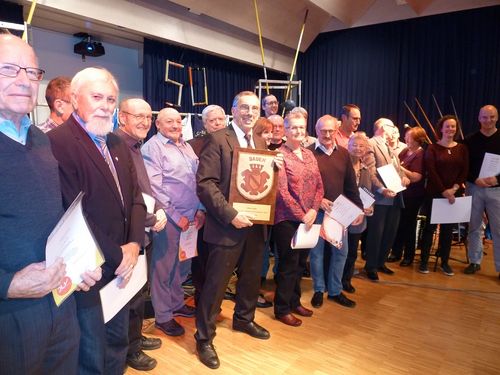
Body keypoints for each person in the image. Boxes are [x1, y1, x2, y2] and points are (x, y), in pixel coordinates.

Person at [0, 33, 100, 375]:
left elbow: (54, 217)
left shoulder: (40, 139)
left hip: (60, 303)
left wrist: (81, 262)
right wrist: (8, 285)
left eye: (31, 72)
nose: (23, 81)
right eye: (9, 69)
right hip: (10, 317)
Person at [48, 67, 146, 375]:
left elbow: (136, 198)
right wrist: (121, 254)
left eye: (111, 99)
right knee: (91, 354)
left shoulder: (116, 142)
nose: (105, 105)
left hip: (122, 266)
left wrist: (134, 243)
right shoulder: (57, 142)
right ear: (76, 99)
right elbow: (73, 211)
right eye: (97, 97)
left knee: (118, 343)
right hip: (89, 270)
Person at [195, 91, 283, 369]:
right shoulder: (217, 139)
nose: (249, 112)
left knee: (250, 278)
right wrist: (231, 215)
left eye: (254, 108)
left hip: (256, 227)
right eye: (244, 107)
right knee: (215, 285)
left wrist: (274, 167)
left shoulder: (259, 141)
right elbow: (205, 184)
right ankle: (204, 338)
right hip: (226, 226)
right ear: (233, 110)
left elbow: (260, 186)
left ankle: (244, 319)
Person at [142, 107, 203, 337]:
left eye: (178, 121)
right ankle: (163, 316)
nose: (176, 125)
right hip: (168, 219)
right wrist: (178, 218)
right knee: (163, 269)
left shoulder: (186, 145)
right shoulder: (152, 148)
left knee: (182, 265)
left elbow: (196, 181)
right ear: (158, 124)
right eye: (170, 122)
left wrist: (200, 210)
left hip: (191, 220)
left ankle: (177, 303)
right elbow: (155, 189)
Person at [116, 98, 166, 371]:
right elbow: (125, 196)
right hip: (128, 237)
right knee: (129, 299)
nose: (145, 122)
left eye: (148, 117)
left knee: (137, 295)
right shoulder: (117, 146)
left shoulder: (136, 147)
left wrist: (158, 209)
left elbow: (144, 189)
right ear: (122, 117)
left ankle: (134, 338)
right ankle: (129, 350)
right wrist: (150, 217)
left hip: (143, 231)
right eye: (139, 116)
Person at [274, 111, 323, 325]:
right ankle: (281, 308)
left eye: (301, 127)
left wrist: (313, 210)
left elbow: (320, 186)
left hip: (309, 217)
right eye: (293, 127)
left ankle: (294, 301)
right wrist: (303, 215)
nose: (298, 131)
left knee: (301, 263)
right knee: (288, 265)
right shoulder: (279, 155)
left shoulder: (310, 154)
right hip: (287, 219)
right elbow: (281, 192)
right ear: (285, 130)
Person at [309, 115, 363, 309]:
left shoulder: (343, 154)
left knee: (341, 252)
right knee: (317, 254)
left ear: (336, 131)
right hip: (317, 212)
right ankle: (318, 290)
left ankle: (335, 291)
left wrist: (358, 209)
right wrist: (318, 200)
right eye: (323, 130)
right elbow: (303, 187)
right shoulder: (308, 154)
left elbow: (350, 185)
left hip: (339, 212)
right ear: (316, 131)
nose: (327, 134)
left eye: (331, 130)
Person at [419, 115, 469, 275]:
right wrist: (444, 191)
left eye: (453, 126)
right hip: (435, 194)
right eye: (447, 126)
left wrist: (453, 189)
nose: (450, 129)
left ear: (456, 129)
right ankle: (424, 261)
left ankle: (445, 262)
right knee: (430, 229)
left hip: (453, 196)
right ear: (441, 128)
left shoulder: (462, 148)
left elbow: (465, 170)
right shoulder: (433, 148)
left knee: (448, 231)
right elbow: (431, 171)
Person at [364, 118, 410, 281]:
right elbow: (370, 172)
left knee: (389, 233)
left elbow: (398, 169)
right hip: (380, 198)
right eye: (392, 127)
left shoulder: (390, 147)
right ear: (383, 128)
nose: (395, 129)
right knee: (376, 234)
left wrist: (404, 178)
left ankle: (380, 262)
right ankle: (371, 266)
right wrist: (381, 189)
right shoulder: (370, 144)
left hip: (395, 197)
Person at [463, 105, 500, 277]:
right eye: (485, 117)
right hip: (474, 187)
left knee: (499, 229)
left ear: (497, 117)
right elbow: (464, 166)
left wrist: (497, 179)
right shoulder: (469, 140)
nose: (488, 120)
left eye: (492, 117)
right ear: (479, 118)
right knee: (474, 226)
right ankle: (474, 261)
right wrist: (473, 178)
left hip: (497, 190)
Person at [387, 126, 427, 266]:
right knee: (399, 223)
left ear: (417, 140)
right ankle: (396, 252)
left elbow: (416, 177)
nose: (405, 139)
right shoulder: (405, 151)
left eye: (408, 137)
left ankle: (408, 255)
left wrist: (399, 168)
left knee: (409, 225)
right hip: (401, 192)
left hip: (413, 196)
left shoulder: (421, 154)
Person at [342, 132, 374, 293]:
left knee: (352, 252)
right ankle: (332, 280)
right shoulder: (341, 165)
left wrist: (370, 207)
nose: (358, 149)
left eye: (361, 146)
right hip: (341, 214)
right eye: (354, 145)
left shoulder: (366, 169)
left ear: (366, 149)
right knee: (337, 251)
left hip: (358, 218)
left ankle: (346, 280)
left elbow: (367, 192)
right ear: (348, 146)